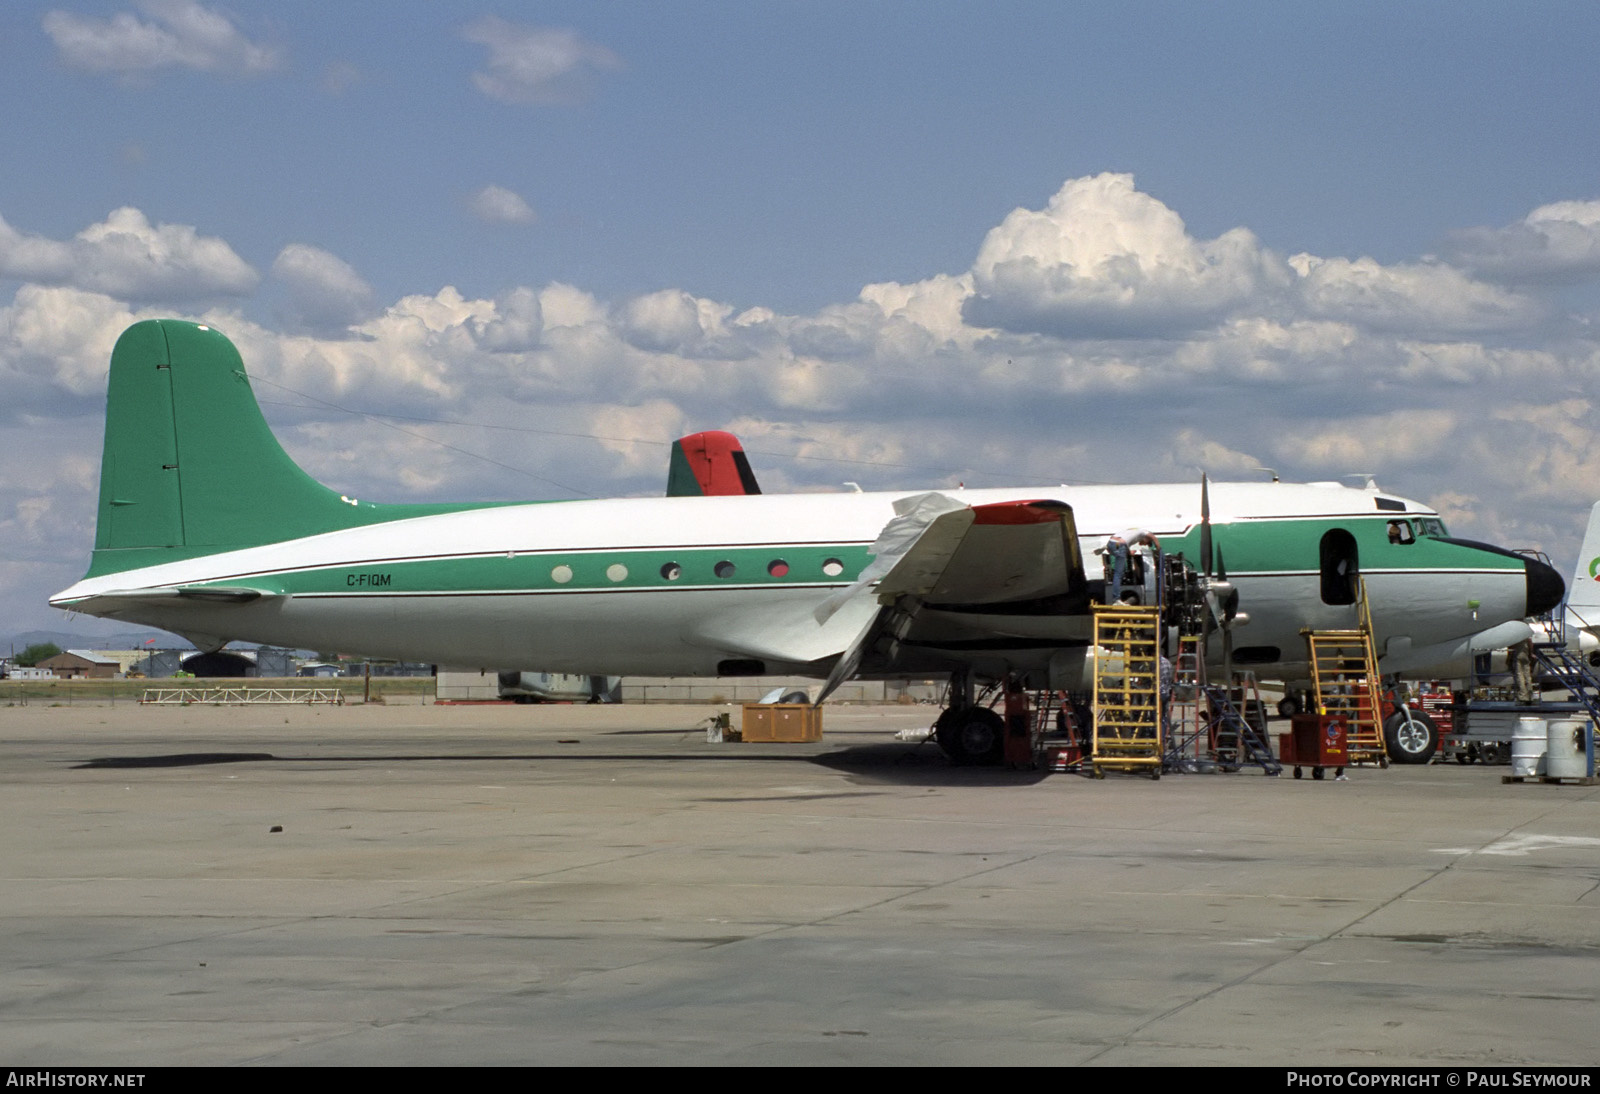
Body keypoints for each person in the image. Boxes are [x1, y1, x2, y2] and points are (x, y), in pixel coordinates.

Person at [1101, 528, 1160, 604]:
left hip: (1113, 542)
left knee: (1119, 551)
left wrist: (1129, 552)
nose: (1143, 544)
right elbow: (1153, 536)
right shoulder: (1143, 532)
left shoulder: (1132, 532)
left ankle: (1108, 548)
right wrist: (1158, 547)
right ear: (1147, 539)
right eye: (1146, 543)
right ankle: (1116, 599)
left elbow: (1124, 543)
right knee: (1118, 574)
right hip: (1119, 545)